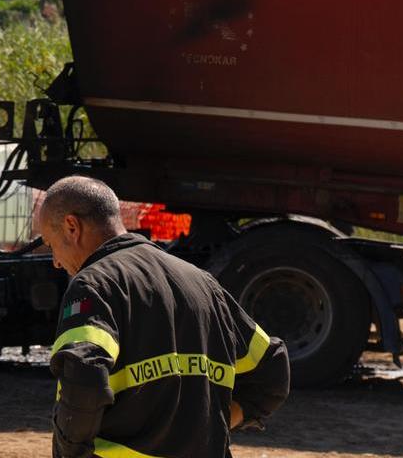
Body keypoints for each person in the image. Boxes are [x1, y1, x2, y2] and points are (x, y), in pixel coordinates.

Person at [37, 176, 290, 458]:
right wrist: (215, 426)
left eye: (50, 244)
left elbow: (85, 380)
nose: (56, 261)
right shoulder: (201, 282)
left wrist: (68, 453)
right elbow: (272, 370)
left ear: (72, 226)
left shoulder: (94, 285)